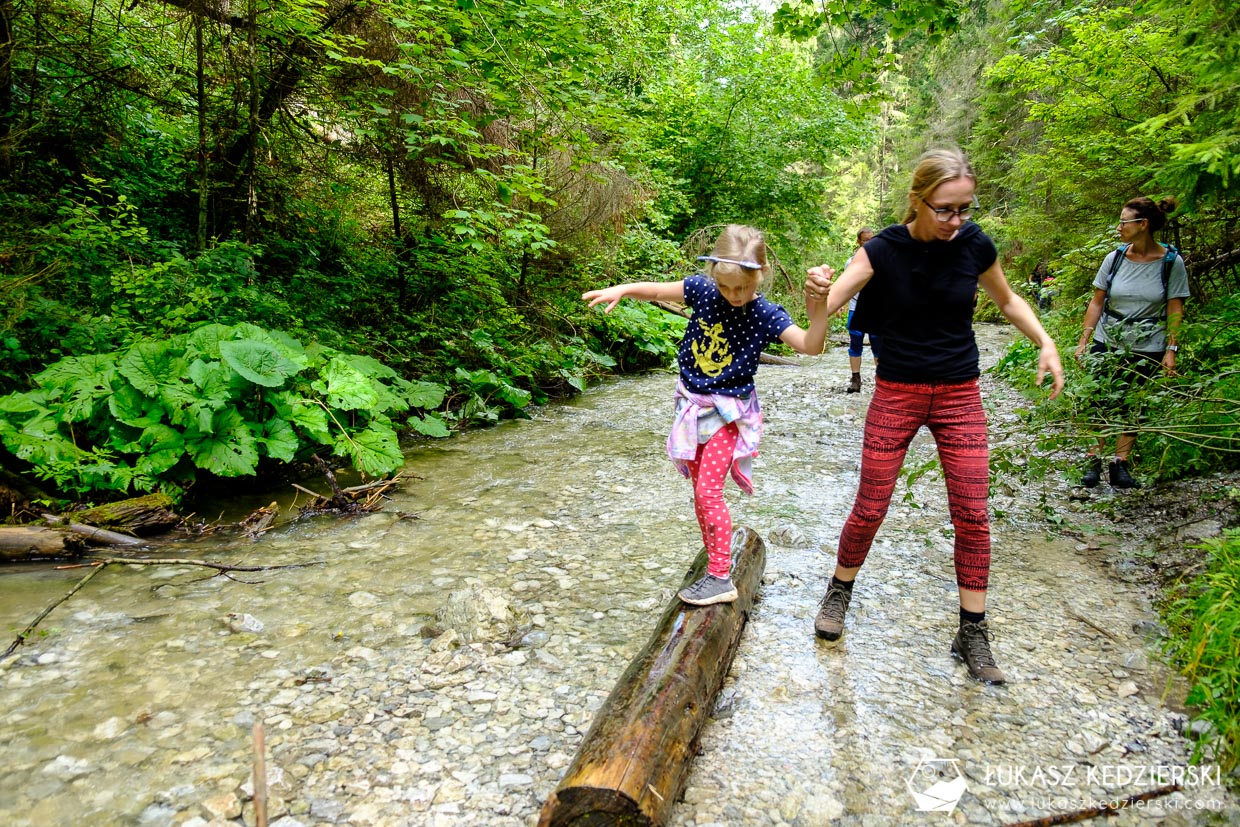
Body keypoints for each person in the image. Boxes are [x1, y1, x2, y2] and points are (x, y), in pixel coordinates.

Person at [805, 148, 1064, 685]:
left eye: (965, 208)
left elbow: (1009, 300)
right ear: (917, 200)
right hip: (896, 392)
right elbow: (826, 310)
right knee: (871, 504)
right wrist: (815, 295)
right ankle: (840, 591)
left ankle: (972, 632)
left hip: (958, 393)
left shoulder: (975, 245)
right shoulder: (880, 249)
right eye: (946, 209)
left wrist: (1045, 340)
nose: (957, 221)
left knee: (972, 513)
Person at [584, 224, 830, 606]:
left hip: (728, 413)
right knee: (700, 495)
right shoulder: (702, 291)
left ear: (759, 275)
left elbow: (811, 346)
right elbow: (657, 290)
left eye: (742, 288)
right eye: (725, 286)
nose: (733, 295)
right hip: (691, 406)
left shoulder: (765, 313)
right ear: (713, 274)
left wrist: (818, 309)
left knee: (708, 491)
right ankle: (715, 561)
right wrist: (624, 289)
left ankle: (719, 577)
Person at [1073, 197, 1188, 489]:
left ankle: (1120, 464)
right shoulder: (1115, 258)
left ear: (1143, 225)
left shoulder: (1171, 263)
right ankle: (1093, 458)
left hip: (1149, 343)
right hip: (1108, 340)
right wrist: (1084, 340)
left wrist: (1171, 350)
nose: (1119, 227)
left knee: (1134, 404)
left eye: (1124, 222)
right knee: (1098, 399)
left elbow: (1175, 308)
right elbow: (1097, 301)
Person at [844, 227, 881, 393]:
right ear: (859, 241)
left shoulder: (881, 259)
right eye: (865, 239)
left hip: (876, 309)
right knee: (855, 343)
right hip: (855, 307)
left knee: (878, 345)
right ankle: (855, 379)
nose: (869, 242)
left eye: (871, 239)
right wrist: (841, 304)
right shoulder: (851, 262)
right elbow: (846, 285)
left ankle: (881, 380)